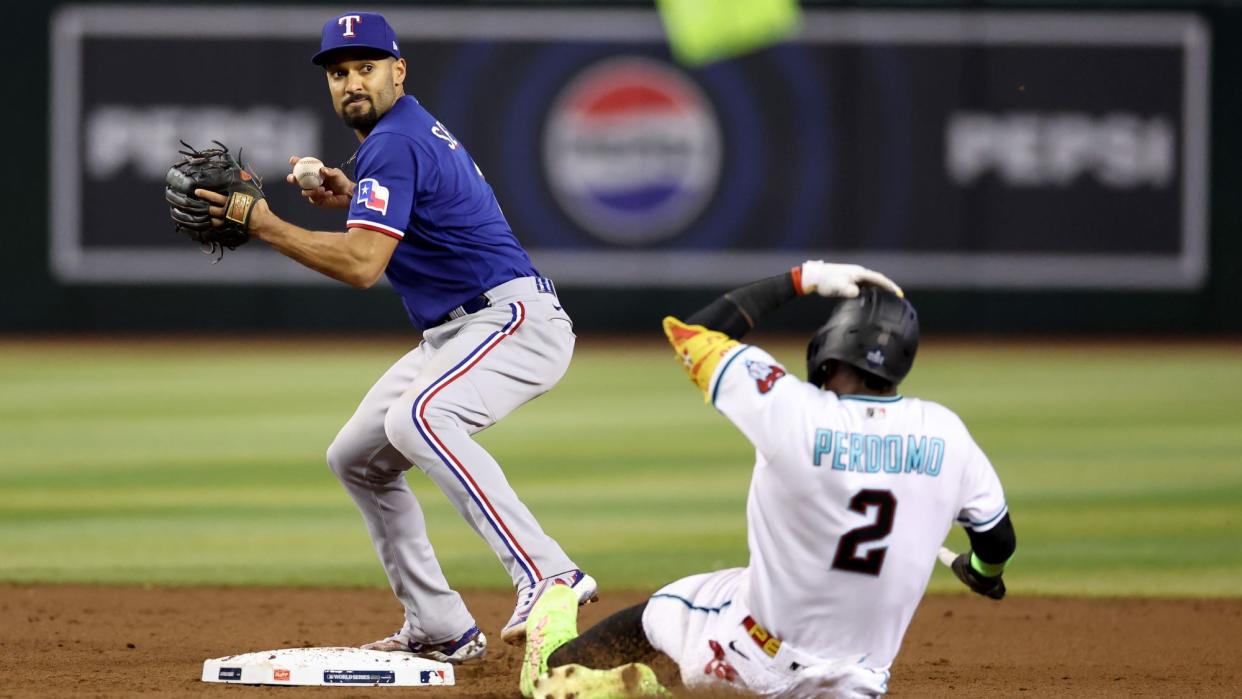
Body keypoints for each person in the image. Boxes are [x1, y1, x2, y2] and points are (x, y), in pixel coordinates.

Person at [192, 11, 596, 663]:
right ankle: (439, 623)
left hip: (510, 320)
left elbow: (361, 265)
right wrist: (347, 192)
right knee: (356, 457)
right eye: (340, 72)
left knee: (421, 417)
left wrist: (264, 224)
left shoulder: (394, 140)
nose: (352, 82)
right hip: (460, 330)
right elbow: (417, 216)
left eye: (367, 67)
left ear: (398, 70)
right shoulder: (397, 137)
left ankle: (549, 573)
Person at [517, 261, 1017, 698]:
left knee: (637, 628)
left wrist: (804, 278)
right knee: (735, 592)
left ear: (831, 344)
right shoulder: (946, 432)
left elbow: (694, 332)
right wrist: (982, 572)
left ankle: (576, 665)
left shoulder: (792, 409)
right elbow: (996, 539)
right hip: (853, 685)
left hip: (746, 662)